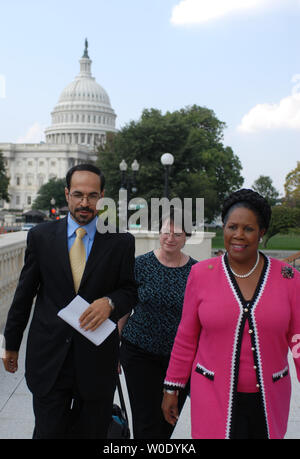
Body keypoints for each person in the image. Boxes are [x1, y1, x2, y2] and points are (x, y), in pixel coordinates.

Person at [2, 163, 137, 439]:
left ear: (102, 196)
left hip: (96, 361)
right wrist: (12, 344)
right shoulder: (40, 237)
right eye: (78, 194)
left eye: (91, 195)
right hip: (50, 358)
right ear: (66, 194)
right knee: (47, 433)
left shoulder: (121, 241)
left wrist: (109, 303)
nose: (84, 203)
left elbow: (129, 291)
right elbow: (24, 294)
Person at [162, 189, 300, 439]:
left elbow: (298, 337)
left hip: (269, 398)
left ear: (262, 232)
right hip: (212, 396)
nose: (238, 235)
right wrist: (172, 387)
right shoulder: (201, 274)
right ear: (223, 228)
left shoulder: (288, 278)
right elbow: (186, 337)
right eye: (232, 226)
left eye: (248, 228)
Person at [119, 209, 198, 439]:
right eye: (166, 232)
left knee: (167, 421)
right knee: (145, 422)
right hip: (138, 352)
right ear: (158, 233)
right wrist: (115, 347)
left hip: (179, 359)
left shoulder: (196, 271)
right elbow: (124, 309)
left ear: (187, 237)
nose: (170, 238)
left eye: (177, 234)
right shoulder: (140, 265)